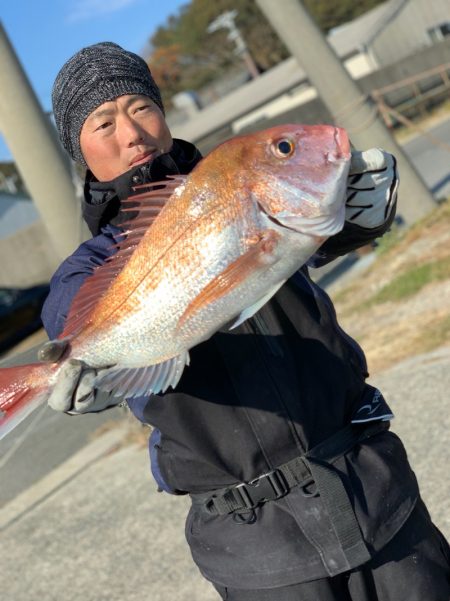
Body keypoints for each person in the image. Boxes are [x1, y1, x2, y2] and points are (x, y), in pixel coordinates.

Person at [42, 42, 450, 600]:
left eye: (140, 106)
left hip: (374, 490)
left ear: (163, 113)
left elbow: (297, 239)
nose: (131, 132)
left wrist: (358, 216)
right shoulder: (89, 268)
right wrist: (95, 366)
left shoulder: (234, 182)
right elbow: (71, 312)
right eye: (102, 121)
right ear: (78, 149)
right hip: (257, 551)